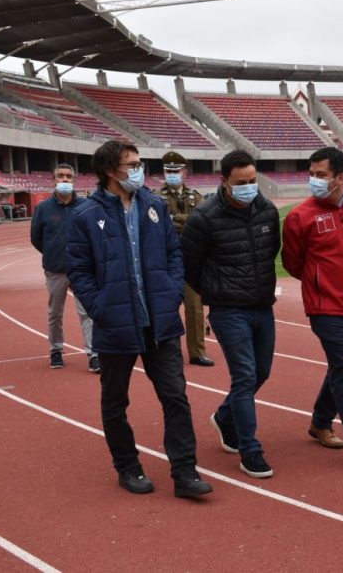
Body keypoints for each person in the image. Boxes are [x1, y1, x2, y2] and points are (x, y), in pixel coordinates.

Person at [67, 139, 213, 497]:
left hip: (159, 321)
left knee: (175, 396)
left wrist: (173, 290)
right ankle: (128, 466)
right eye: (130, 164)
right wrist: (100, 306)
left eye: (137, 163)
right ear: (108, 171)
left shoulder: (154, 206)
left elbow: (173, 253)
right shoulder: (85, 215)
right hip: (115, 323)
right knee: (115, 402)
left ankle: (185, 471)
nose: (138, 170)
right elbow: (78, 269)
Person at [181, 150, 280, 479]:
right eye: (241, 183)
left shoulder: (267, 211)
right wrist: (216, 292)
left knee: (262, 373)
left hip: (262, 307)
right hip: (228, 310)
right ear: (224, 182)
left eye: (253, 181)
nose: (249, 187)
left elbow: (271, 252)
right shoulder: (203, 218)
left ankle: (225, 417)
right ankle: (249, 450)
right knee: (245, 376)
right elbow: (190, 268)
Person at [282, 146, 343, 470]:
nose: (314, 180)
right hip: (325, 307)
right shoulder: (300, 216)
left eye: (320, 175)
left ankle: (320, 422)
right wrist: (320, 281)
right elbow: (293, 262)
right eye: (311, 174)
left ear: (340, 177)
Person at [30, 163, 99, 373]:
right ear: (54, 180)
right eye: (60, 176)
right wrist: (52, 254)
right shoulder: (43, 208)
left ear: (74, 180)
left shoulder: (86, 206)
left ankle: (93, 353)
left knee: (87, 312)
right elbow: (36, 239)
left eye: (69, 176)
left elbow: (94, 236)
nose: (65, 180)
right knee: (55, 313)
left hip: (82, 270)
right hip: (56, 270)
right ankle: (56, 350)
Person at [156, 151, 214, 367]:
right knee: (165, 308)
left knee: (195, 310)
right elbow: (159, 226)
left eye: (176, 171)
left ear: (184, 172)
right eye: (168, 171)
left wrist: (174, 218)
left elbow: (202, 222)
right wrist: (185, 220)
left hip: (191, 261)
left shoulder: (196, 196)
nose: (172, 174)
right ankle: (164, 353)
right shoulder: (155, 196)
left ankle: (197, 352)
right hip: (166, 261)